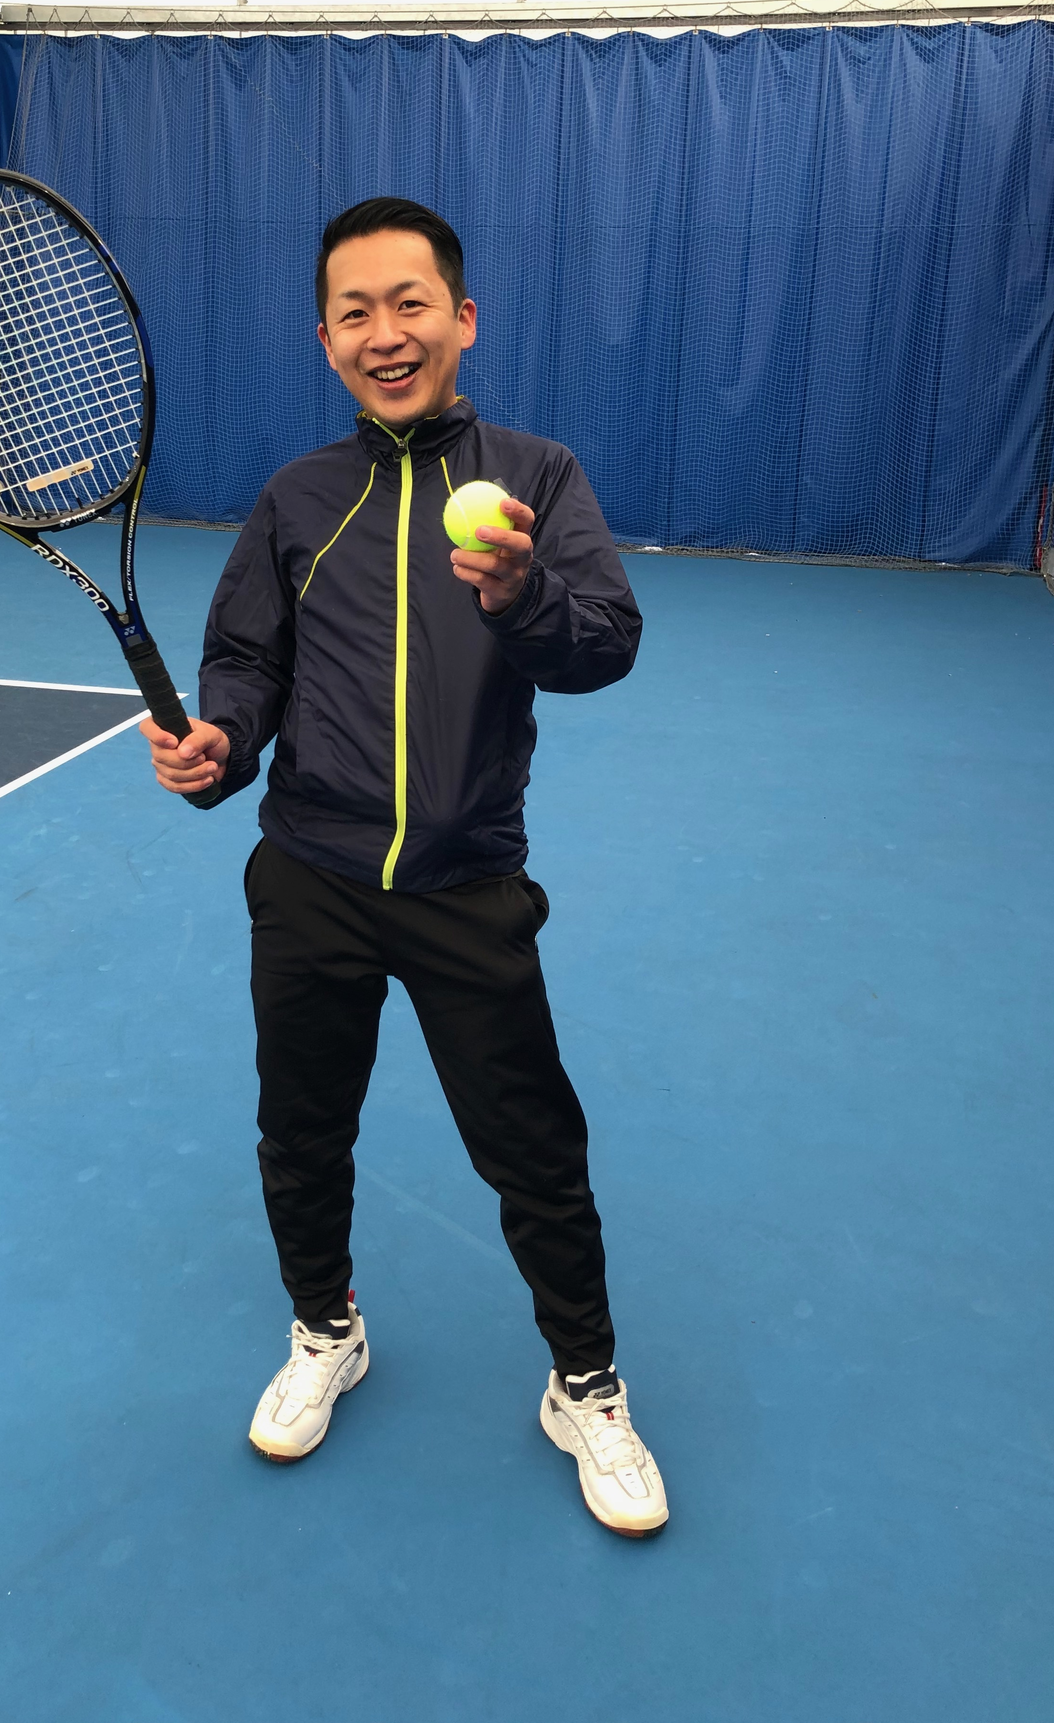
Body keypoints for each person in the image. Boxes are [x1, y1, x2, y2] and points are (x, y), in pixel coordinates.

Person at [142, 196, 667, 1536]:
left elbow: (605, 642)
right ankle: (327, 1329)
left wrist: (522, 597)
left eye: (410, 303)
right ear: (327, 340)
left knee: (533, 1149)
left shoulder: (537, 478)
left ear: (462, 318)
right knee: (301, 1131)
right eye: (356, 312)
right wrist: (222, 744)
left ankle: (585, 1385)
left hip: (467, 884)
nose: (386, 332)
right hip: (308, 878)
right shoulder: (297, 498)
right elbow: (248, 661)